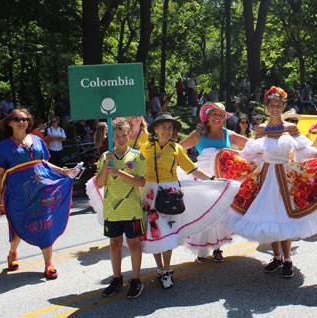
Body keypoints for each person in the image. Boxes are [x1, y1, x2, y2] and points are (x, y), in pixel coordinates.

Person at [222, 86, 317, 278]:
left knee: (283, 218)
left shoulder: (291, 128)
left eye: (279, 105)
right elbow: (249, 153)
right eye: (272, 105)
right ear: (267, 106)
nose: (275, 108)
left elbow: (306, 151)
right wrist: (228, 156)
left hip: (285, 178)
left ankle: (287, 260)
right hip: (265, 178)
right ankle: (277, 257)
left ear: (283, 106)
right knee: (269, 218)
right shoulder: (261, 129)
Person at [140, 112, 239, 288]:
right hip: (149, 193)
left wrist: (213, 180)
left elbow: (193, 169)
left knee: (167, 229)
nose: (167, 131)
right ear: (155, 129)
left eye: (170, 128)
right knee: (152, 230)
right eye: (163, 127)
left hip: (169, 193)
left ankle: (168, 269)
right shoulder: (145, 148)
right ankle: (160, 268)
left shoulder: (176, 149)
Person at [0, 109, 77, 279]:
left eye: (25, 119)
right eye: (17, 119)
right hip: (18, 195)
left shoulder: (38, 140)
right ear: (10, 122)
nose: (22, 122)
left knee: (45, 224)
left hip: (42, 191)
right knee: (18, 227)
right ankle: (12, 253)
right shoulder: (3, 146)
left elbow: (45, 164)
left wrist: (64, 171)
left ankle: (48, 263)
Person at [180, 102, 249, 262]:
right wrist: (187, 165)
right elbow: (178, 149)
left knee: (219, 211)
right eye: (214, 114)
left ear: (224, 118)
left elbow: (250, 144)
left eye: (220, 115)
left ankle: (217, 248)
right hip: (203, 178)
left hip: (222, 178)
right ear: (207, 117)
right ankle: (201, 250)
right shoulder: (199, 134)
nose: (217, 117)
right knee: (204, 211)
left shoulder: (228, 133)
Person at [95, 118, 146, 299]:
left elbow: (141, 181)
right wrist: (107, 167)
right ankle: (117, 279)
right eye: (117, 136)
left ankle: (136, 279)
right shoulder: (105, 157)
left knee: (133, 243)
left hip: (131, 209)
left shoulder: (137, 156)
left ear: (129, 135)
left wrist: (119, 173)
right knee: (114, 244)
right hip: (112, 210)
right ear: (111, 138)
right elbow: (100, 184)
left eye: (124, 135)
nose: (122, 139)